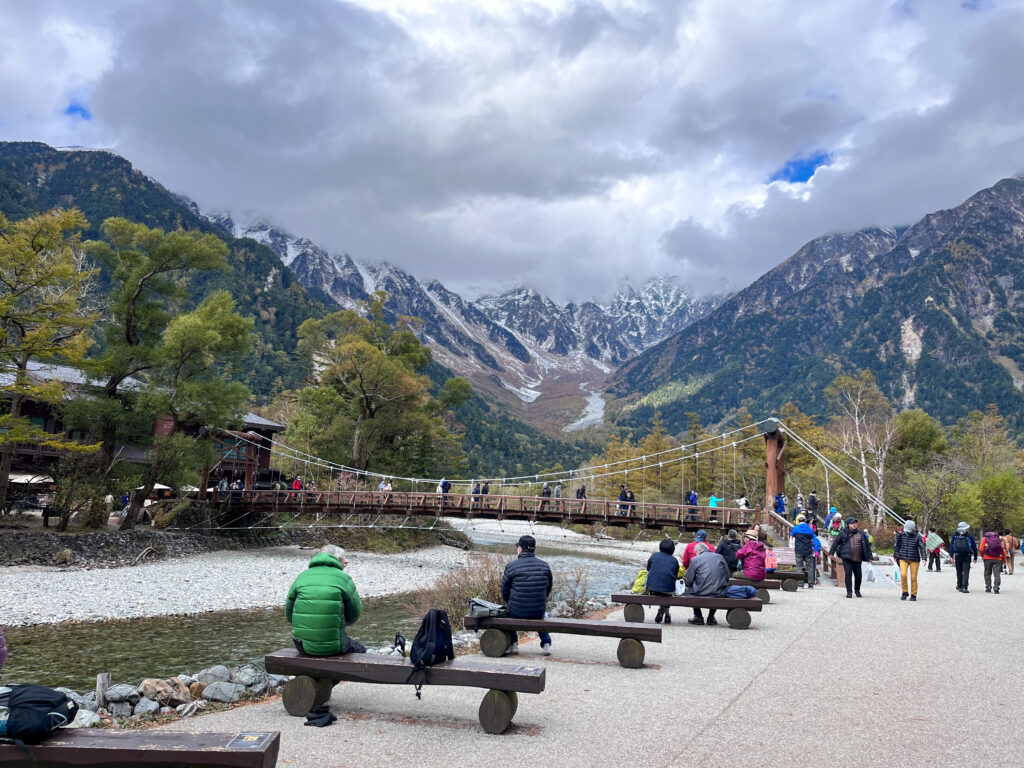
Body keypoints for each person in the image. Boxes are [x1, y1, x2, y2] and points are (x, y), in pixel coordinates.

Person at [286, 544, 365, 656]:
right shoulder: (343, 578)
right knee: (361, 649)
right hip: (334, 647)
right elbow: (354, 615)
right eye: (344, 563)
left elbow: (289, 615)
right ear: (339, 560)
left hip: (302, 646)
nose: (344, 566)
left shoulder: (301, 577)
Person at [501, 535, 554, 655]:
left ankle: (513, 644)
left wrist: (509, 601)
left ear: (520, 549)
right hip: (537, 611)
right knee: (541, 613)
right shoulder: (545, 566)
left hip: (516, 612)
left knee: (507, 610)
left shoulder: (512, 566)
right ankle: (546, 644)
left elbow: (504, 591)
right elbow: (548, 588)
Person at [683, 543, 731, 625]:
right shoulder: (720, 557)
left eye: (695, 553)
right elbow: (727, 575)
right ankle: (711, 617)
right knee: (716, 586)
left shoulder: (695, 560)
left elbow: (689, 581)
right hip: (718, 592)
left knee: (690, 591)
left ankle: (698, 617)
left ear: (698, 551)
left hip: (699, 593)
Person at [829, 517, 873, 598]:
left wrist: (870, 557)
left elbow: (867, 547)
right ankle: (849, 592)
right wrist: (831, 552)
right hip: (847, 557)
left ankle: (857, 590)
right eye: (852, 523)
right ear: (848, 524)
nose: (854, 525)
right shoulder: (843, 533)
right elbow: (836, 543)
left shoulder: (861, 534)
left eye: (855, 523)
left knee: (858, 576)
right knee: (848, 575)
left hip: (858, 557)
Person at [646, 539, 681, 624]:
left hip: (653, 588)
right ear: (672, 549)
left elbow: (648, 568)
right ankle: (666, 613)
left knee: (654, 579)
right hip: (668, 590)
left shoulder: (654, 555)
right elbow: (675, 575)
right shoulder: (674, 560)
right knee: (668, 586)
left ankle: (662, 611)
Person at [893, 520, 927, 601]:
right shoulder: (900, 535)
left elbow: (922, 547)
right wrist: (895, 555)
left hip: (914, 559)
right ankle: (905, 591)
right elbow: (897, 546)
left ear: (912, 529)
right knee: (903, 575)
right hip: (903, 558)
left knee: (913, 577)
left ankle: (913, 594)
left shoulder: (918, 536)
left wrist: (924, 558)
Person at [789, 514, 820, 588]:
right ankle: (811, 584)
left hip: (799, 550)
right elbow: (814, 539)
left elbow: (791, 538)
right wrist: (816, 549)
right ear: (805, 521)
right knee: (810, 567)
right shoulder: (810, 529)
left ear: (798, 521)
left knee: (799, 567)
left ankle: (800, 583)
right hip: (808, 550)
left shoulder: (795, 528)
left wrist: (792, 547)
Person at [950, 522, 978, 593]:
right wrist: (975, 556)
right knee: (966, 571)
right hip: (967, 556)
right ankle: (964, 587)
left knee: (959, 571)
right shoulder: (969, 536)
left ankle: (959, 585)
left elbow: (952, 546)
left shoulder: (955, 535)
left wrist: (951, 555)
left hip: (958, 555)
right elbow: (974, 547)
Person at [979, 529, 1006, 594]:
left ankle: (988, 587)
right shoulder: (998, 539)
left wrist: (983, 556)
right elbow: (1002, 550)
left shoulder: (984, 539)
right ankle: (996, 587)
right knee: (997, 574)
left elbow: (981, 549)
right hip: (997, 559)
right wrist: (1004, 560)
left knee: (987, 573)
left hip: (987, 558)